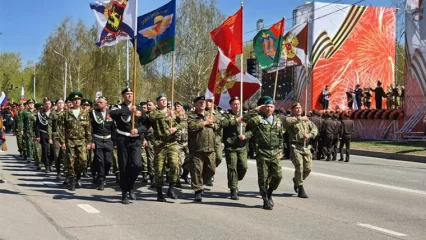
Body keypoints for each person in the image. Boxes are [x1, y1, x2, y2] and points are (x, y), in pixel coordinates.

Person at [238, 97, 286, 210]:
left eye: (271, 107)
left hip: (275, 152)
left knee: (278, 176)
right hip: (262, 152)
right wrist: (256, 109)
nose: (269, 109)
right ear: (263, 108)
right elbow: (243, 119)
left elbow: (281, 137)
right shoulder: (258, 119)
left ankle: (269, 192)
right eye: (267, 106)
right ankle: (265, 199)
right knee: (263, 177)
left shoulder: (278, 120)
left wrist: (281, 151)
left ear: (274, 108)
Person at [110, 88, 150, 204]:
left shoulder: (139, 109)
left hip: (135, 140)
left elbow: (146, 123)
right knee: (124, 166)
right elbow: (112, 114)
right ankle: (124, 192)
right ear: (123, 96)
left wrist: (138, 130)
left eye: (131, 94)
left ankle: (131, 185)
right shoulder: (118, 107)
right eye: (127, 94)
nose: (129, 96)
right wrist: (128, 110)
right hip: (123, 139)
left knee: (137, 165)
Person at [148, 93, 186, 201]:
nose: (164, 101)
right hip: (160, 143)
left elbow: (184, 122)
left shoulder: (173, 112)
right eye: (161, 100)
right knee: (159, 168)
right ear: (158, 102)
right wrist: (166, 114)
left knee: (175, 164)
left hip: (172, 142)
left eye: (165, 99)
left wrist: (176, 128)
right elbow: (152, 117)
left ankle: (171, 188)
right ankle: (159, 193)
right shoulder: (155, 112)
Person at [58, 91, 92, 191]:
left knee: (83, 160)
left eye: (78, 99)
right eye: (74, 100)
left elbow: (88, 128)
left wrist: (89, 142)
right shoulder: (65, 113)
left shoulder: (85, 113)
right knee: (70, 161)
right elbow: (61, 129)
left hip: (81, 141)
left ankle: (78, 176)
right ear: (71, 102)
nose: (77, 101)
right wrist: (62, 142)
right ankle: (72, 181)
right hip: (70, 141)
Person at [187, 96, 217, 202]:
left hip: (210, 147)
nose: (202, 104)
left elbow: (218, 126)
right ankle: (198, 191)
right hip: (197, 148)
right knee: (196, 170)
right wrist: (204, 123)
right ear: (195, 104)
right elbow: (191, 126)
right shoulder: (191, 116)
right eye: (200, 102)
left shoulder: (211, 115)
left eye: (204, 102)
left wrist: (213, 125)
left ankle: (201, 183)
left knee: (211, 169)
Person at [286, 102, 317, 199]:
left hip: (306, 148)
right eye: (296, 108)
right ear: (292, 110)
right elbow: (287, 122)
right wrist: (300, 118)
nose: (299, 109)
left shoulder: (307, 120)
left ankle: (297, 180)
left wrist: (310, 135)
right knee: (299, 167)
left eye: (300, 107)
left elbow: (315, 129)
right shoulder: (290, 119)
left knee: (308, 169)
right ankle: (300, 188)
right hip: (295, 147)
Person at [221, 97, 249, 200]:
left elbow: (251, 129)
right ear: (231, 105)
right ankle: (233, 189)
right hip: (231, 146)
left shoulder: (245, 116)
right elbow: (223, 124)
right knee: (232, 167)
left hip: (242, 146)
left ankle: (236, 180)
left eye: (238, 104)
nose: (236, 106)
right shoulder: (226, 115)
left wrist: (246, 135)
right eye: (234, 104)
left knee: (244, 167)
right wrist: (236, 120)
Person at [90, 96, 115, 190]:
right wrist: (91, 141)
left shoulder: (111, 113)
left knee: (108, 161)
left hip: (108, 140)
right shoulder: (93, 113)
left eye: (101, 102)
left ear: (106, 104)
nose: (98, 104)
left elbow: (114, 128)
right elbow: (90, 128)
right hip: (98, 140)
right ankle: (101, 180)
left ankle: (103, 175)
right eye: (98, 102)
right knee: (100, 160)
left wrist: (114, 142)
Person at [35, 97, 53, 173]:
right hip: (43, 134)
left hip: (53, 135)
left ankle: (51, 163)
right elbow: (37, 126)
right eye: (46, 104)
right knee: (45, 150)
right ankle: (47, 165)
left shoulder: (53, 113)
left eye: (48, 104)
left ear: (51, 104)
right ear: (43, 105)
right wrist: (38, 136)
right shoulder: (40, 114)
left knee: (52, 150)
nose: (47, 105)